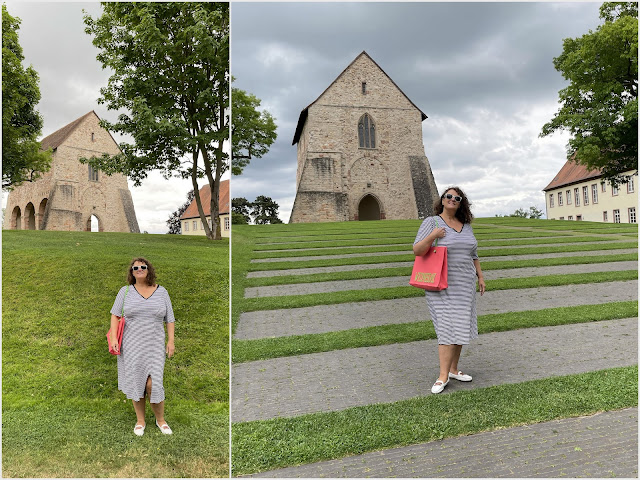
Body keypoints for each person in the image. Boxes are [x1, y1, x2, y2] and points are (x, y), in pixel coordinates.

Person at [413, 187, 485, 394]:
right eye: (449, 196)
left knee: (461, 326)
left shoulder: (466, 226)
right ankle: (442, 376)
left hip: (465, 284)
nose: (452, 199)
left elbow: (474, 254)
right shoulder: (432, 222)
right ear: (442, 200)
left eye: (457, 198)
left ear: (461, 202)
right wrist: (433, 236)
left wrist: (480, 276)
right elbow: (417, 250)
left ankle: (453, 370)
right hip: (441, 284)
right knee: (447, 327)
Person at [109, 257, 176, 435]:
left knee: (153, 384)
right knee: (137, 382)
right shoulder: (124, 292)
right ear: (131, 272)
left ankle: (160, 420)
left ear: (148, 269)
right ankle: (140, 421)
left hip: (154, 345)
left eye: (143, 266)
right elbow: (115, 315)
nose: (139, 269)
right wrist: (114, 337)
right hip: (131, 345)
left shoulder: (162, 292)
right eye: (135, 268)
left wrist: (171, 341)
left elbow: (170, 318)